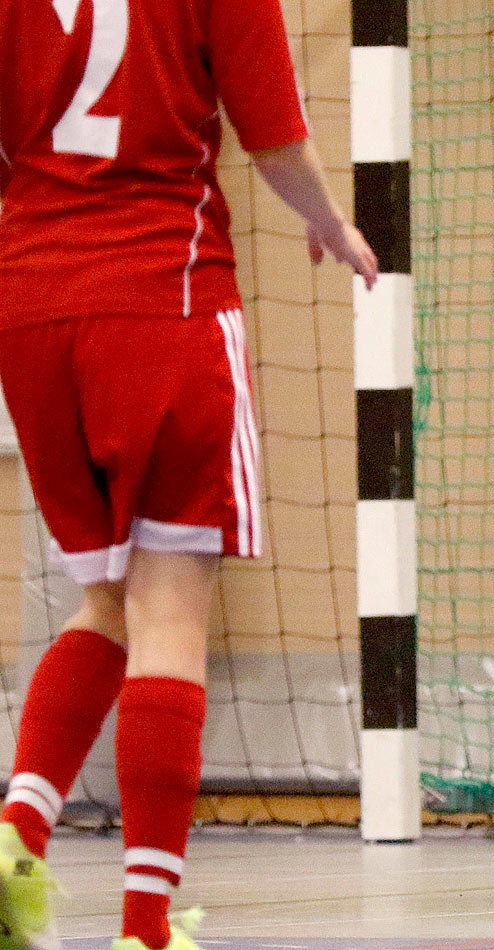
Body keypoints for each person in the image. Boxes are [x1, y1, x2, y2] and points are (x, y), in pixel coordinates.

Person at [0, 0, 378, 946]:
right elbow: (275, 135)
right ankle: (146, 927)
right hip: (164, 298)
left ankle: (16, 839)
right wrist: (330, 222)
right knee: (169, 613)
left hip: (30, 308)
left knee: (105, 602)